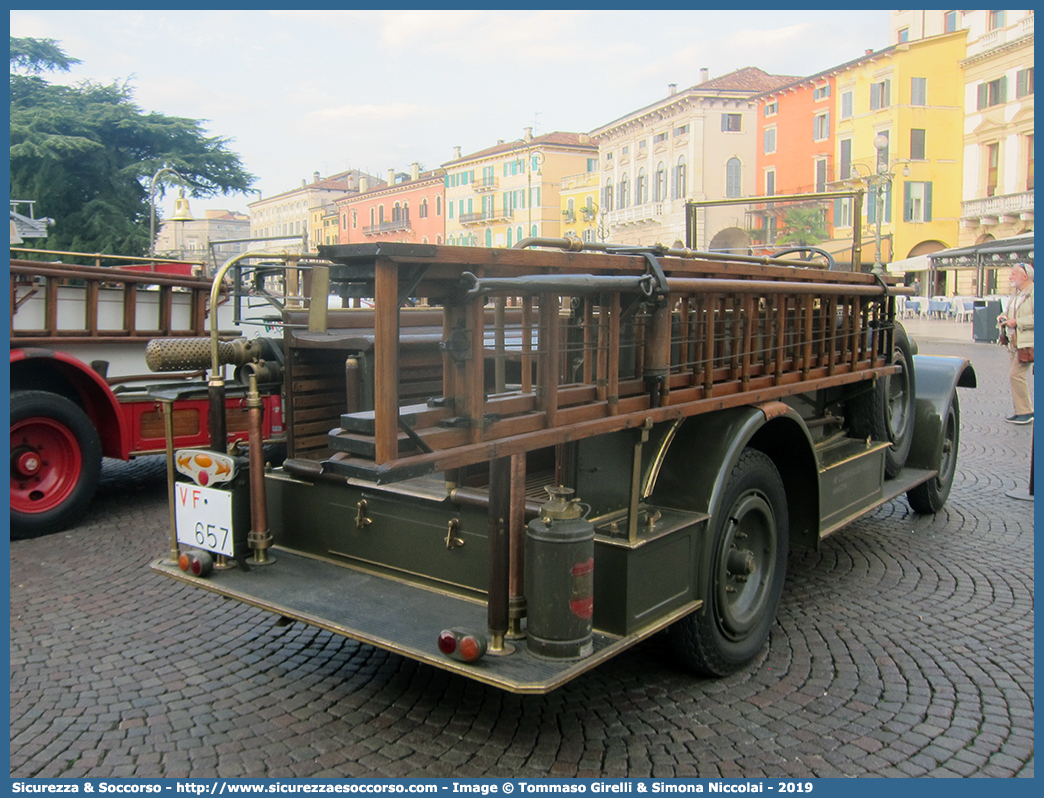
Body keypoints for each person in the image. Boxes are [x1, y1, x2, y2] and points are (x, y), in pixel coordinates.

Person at [997, 263, 1034, 424]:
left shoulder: (1034, 293)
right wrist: (1003, 316)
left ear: (1025, 276)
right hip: (1013, 342)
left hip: (1027, 343)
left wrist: (1017, 322)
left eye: (1013, 274)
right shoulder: (1017, 293)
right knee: (1016, 377)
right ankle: (1021, 410)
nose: (1010, 277)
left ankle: (1025, 412)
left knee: (1016, 375)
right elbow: (1010, 311)